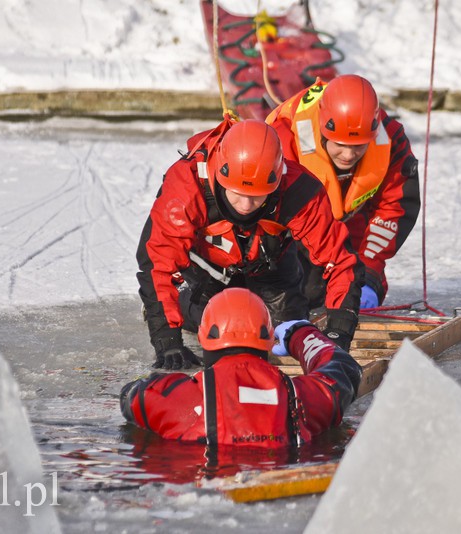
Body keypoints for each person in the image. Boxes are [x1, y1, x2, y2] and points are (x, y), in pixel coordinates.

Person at [136, 117, 364, 370]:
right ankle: (179, 303)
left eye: (257, 196)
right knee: (224, 324)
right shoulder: (186, 186)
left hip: (269, 264)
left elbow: (340, 259)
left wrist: (338, 332)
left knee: (287, 324)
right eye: (238, 193)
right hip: (208, 270)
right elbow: (158, 263)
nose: (246, 206)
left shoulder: (299, 190)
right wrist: (167, 340)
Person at [120, 288, 362, 447]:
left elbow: (132, 396)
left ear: (205, 338)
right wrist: (301, 335)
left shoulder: (182, 398)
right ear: (268, 340)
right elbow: (344, 370)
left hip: (203, 488)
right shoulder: (299, 397)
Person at [266, 74, 421, 310]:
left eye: (358, 146)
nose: (348, 156)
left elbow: (394, 206)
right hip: (296, 230)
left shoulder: (391, 140)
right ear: (322, 128)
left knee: (360, 283)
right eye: (339, 144)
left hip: (351, 222)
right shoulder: (284, 140)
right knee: (301, 292)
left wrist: (369, 271)